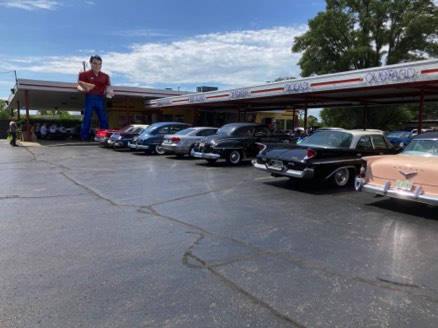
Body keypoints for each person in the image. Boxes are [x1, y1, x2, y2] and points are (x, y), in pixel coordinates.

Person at [77, 55, 114, 141]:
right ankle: (84, 137)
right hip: (89, 97)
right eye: (95, 63)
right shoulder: (83, 74)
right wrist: (83, 89)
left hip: (99, 98)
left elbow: (108, 88)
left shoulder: (105, 76)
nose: (97, 66)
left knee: (103, 118)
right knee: (87, 117)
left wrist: (110, 93)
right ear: (90, 63)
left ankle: (105, 136)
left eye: (100, 64)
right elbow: (79, 85)